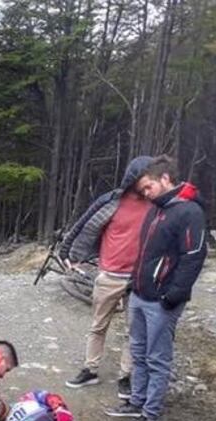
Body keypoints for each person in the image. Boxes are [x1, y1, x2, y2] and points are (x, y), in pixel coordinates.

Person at [106, 155, 207, 421]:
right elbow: (145, 254)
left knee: (157, 358)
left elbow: (193, 257)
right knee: (138, 353)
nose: (146, 194)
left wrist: (174, 295)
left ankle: (151, 414)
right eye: (142, 190)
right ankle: (136, 402)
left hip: (163, 301)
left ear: (165, 179)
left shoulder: (190, 212)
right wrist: (133, 283)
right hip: (140, 294)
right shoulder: (156, 209)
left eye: (148, 187)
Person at [60, 156, 154, 399]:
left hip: (139, 279)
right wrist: (66, 251)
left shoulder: (157, 204)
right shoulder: (111, 201)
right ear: (134, 177)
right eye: (147, 175)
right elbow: (84, 223)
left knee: (134, 332)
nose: (150, 181)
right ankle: (90, 370)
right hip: (110, 275)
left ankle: (126, 376)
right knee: (98, 326)